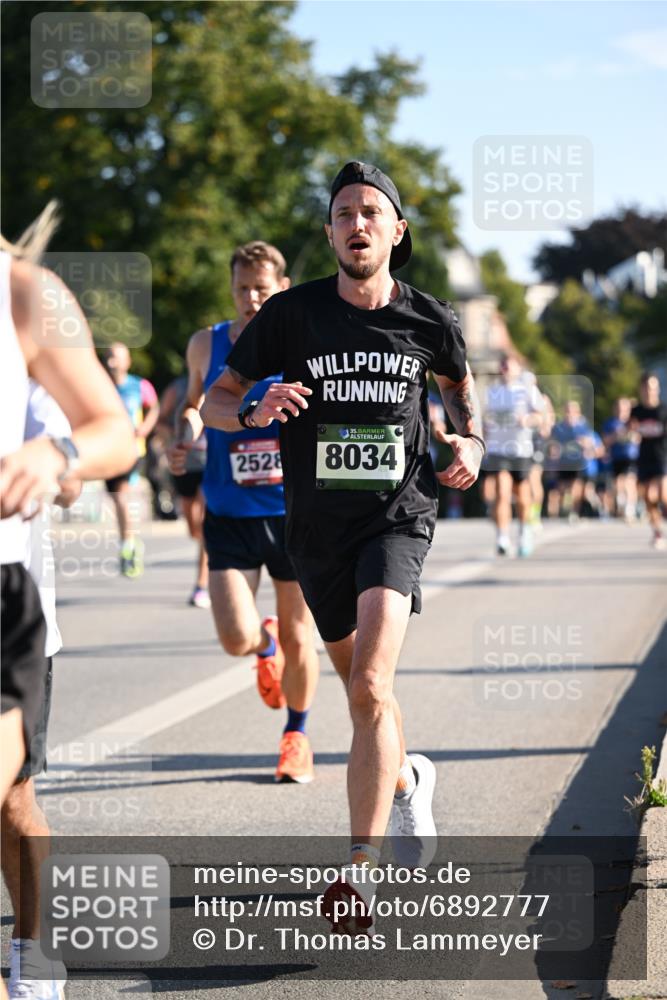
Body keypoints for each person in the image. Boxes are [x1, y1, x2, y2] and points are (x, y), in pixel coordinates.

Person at [200, 161, 484, 933]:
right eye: (343, 213)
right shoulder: (289, 316)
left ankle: (356, 873)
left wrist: (472, 440)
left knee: (367, 684)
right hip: (314, 531)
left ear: (396, 231)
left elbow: (459, 387)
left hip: (396, 518)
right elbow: (215, 400)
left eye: (371, 212)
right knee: (367, 697)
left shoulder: (429, 319)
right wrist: (254, 399)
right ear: (329, 233)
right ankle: (406, 780)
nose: (357, 224)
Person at [0, 204, 136, 999]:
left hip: (8, 593)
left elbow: (112, 430)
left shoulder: (25, 295)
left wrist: (56, 455)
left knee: (13, 801)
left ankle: (35, 942)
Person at [169, 242, 319, 783]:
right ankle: (264, 644)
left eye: (262, 288)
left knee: (304, 634)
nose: (252, 299)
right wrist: (184, 436)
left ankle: (295, 736)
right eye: (242, 289)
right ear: (231, 288)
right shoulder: (205, 344)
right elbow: (192, 402)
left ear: (280, 287)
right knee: (236, 637)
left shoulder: (301, 341)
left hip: (293, 512)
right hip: (229, 512)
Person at [101, 343, 159, 578]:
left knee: (123, 497)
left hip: (133, 451)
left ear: (127, 361)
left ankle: (127, 546)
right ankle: (129, 539)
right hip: (107, 452)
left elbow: (153, 407)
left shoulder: (139, 385)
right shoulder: (99, 386)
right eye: (108, 357)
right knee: (117, 500)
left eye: (116, 358)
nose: (112, 362)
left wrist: (145, 427)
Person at [481, 354, 544, 556]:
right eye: (504, 366)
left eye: (510, 366)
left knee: (523, 496)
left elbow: (541, 416)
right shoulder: (492, 391)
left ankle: (525, 531)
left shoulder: (527, 390)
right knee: (502, 491)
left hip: (520, 449)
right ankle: (502, 536)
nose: (506, 369)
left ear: (518, 369)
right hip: (498, 449)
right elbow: (484, 419)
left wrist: (527, 419)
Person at [156, 373, 209, 607]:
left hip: (212, 463)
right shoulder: (177, 387)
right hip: (185, 463)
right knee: (193, 527)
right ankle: (203, 545)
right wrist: (174, 438)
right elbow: (160, 419)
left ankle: (201, 585)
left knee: (206, 527)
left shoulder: (223, 381)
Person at [630, 373, 667, 549]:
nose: (649, 391)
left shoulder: (663, 410)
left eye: (652, 388)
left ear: (657, 389)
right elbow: (629, 431)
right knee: (648, 497)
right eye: (646, 388)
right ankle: (657, 532)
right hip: (644, 458)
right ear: (641, 389)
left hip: (663, 456)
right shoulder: (636, 411)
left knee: (662, 492)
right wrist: (631, 432)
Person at [551, 400, 596, 521]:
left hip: (578, 462)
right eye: (567, 411)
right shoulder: (558, 428)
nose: (569, 414)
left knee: (575, 487)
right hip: (563, 462)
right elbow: (553, 445)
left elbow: (590, 442)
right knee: (562, 488)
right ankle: (564, 508)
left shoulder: (583, 427)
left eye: (572, 411)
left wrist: (584, 443)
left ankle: (573, 512)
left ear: (578, 412)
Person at [603, 397, 639, 521]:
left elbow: (639, 438)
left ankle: (630, 509)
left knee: (630, 481)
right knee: (618, 483)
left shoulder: (633, 422)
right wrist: (616, 435)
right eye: (618, 408)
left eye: (624, 408)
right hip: (616, 457)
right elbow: (606, 441)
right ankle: (621, 505)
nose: (621, 411)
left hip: (631, 456)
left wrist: (631, 433)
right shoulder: (610, 423)